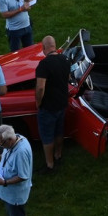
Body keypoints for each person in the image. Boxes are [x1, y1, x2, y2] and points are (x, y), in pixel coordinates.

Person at [33, 35, 69, 171]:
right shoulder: (65, 59)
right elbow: (68, 78)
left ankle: (50, 164)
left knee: (47, 135)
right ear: (54, 46)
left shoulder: (44, 64)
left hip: (48, 106)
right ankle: (58, 155)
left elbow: (40, 87)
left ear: (43, 48)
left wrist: (38, 101)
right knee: (59, 132)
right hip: (62, 102)